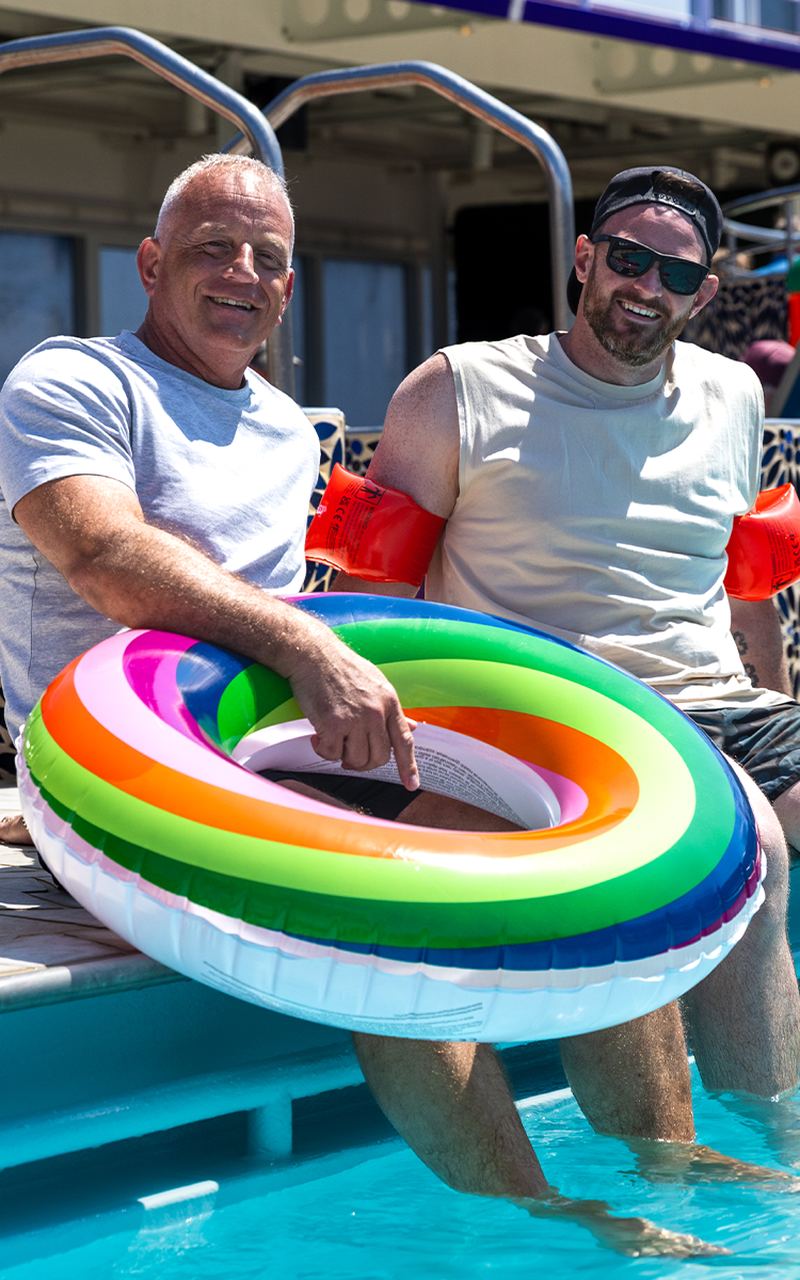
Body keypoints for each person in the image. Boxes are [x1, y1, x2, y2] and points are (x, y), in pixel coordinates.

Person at [0, 153, 741, 1259]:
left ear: (289, 290)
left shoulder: (283, 426)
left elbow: (352, 601)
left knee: (573, 877)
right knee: (398, 911)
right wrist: (302, 642)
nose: (241, 274)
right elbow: (104, 557)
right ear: (150, 262)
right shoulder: (73, 381)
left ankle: (664, 1160)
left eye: (269, 259)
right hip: (115, 774)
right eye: (211, 247)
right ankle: (541, 1214)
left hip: (264, 748)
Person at [333, 165, 800, 1189]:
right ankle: (765, 1157)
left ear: (703, 294)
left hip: (716, 698)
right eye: (624, 258)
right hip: (548, 703)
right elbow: (367, 599)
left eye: (673, 272)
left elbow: (746, 588)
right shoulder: (458, 386)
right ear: (582, 259)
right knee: (749, 850)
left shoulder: (732, 395)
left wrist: (778, 705)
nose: (644, 285)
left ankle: (776, 1137)